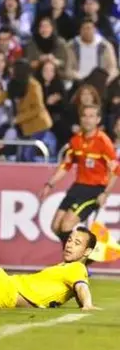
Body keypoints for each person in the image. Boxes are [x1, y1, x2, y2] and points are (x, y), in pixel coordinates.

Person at [40, 104, 118, 246]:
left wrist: (105, 193)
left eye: (91, 116)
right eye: (84, 116)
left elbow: (115, 170)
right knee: (55, 227)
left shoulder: (103, 141)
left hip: (94, 190)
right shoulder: (76, 140)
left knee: (66, 226)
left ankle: (78, 257)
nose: (87, 120)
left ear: (98, 119)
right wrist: (49, 184)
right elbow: (66, 165)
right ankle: (80, 254)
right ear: (80, 119)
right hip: (77, 187)